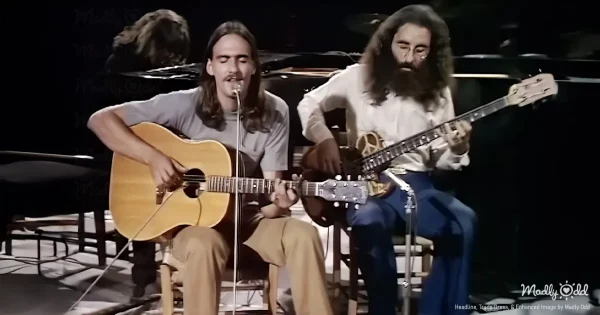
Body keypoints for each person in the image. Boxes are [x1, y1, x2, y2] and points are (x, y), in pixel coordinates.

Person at [88, 21, 333, 315]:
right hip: (196, 226)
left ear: (255, 66)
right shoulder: (183, 105)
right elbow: (100, 120)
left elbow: (270, 196)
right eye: (224, 60)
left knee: (302, 235)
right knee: (204, 243)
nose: (233, 69)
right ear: (210, 67)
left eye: (242, 59)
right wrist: (153, 158)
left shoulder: (275, 110)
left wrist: (280, 205)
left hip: (249, 222)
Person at [297, 5, 476, 315]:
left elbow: (440, 160)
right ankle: (383, 309)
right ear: (387, 43)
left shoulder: (438, 93)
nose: (409, 57)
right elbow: (308, 103)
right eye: (402, 46)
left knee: (462, 221)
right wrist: (324, 138)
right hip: (363, 186)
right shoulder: (357, 77)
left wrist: (458, 149)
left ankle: (441, 309)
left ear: (431, 53)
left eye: (420, 50)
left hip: (417, 185)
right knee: (368, 221)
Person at [103, 8, 191, 300]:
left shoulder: (170, 70)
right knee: (142, 192)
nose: (174, 60)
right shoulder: (122, 61)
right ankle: (143, 277)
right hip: (127, 147)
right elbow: (115, 116)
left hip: (163, 142)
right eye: (170, 51)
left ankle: (180, 267)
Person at [106, 9, 190, 73]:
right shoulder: (120, 62)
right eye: (165, 47)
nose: (170, 56)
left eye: (175, 50)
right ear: (151, 41)